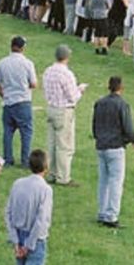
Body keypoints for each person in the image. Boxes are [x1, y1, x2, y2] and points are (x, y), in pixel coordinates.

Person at [92, 76, 134, 227]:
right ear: (121, 88)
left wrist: (98, 137)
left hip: (101, 145)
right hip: (115, 147)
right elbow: (128, 127)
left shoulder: (99, 103)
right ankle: (111, 216)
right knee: (115, 182)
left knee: (103, 181)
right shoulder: (122, 104)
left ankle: (102, 212)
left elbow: (94, 125)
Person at [42, 45, 86, 187]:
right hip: (64, 111)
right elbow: (72, 97)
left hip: (51, 108)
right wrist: (80, 90)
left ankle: (51, 173)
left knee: (51, 144)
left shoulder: (48, 71)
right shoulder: (67, 74)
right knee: (65, 145)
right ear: (67, 57)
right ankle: (63, 177)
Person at [0, 36, 38, 168]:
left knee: (8, 132)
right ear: (23, 48)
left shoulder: (2, 63)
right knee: (26, 132)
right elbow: (34, 84)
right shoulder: (28, 64)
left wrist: (3, 95)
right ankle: (25, 160)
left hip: (8, 102)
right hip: (23, 101)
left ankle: (8, 158)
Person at [6, 149, 54, 265]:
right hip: (36, 240)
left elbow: (8, 212)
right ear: (46, 167)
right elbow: (41, 220)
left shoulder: (17, 184)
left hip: (19, 236)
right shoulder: (45, 189)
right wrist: (29, 245)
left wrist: (15, 241)